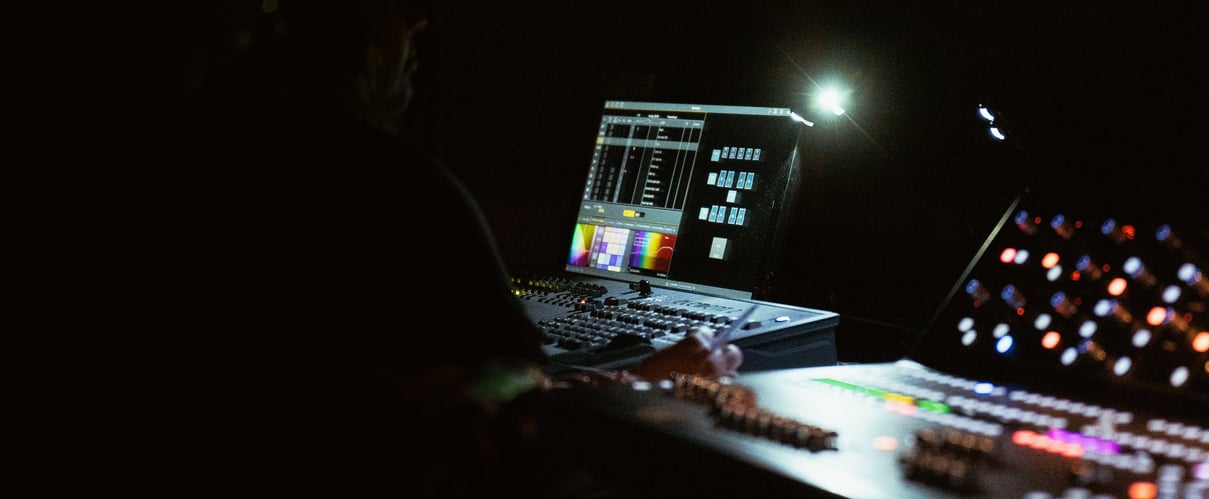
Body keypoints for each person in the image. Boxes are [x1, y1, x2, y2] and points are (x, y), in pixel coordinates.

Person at [105, 1, 743, 497]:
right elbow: (510, 440)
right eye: (389, 6)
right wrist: (644, 390)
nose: (417, 21)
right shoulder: (386, 185)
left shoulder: (161, 164)